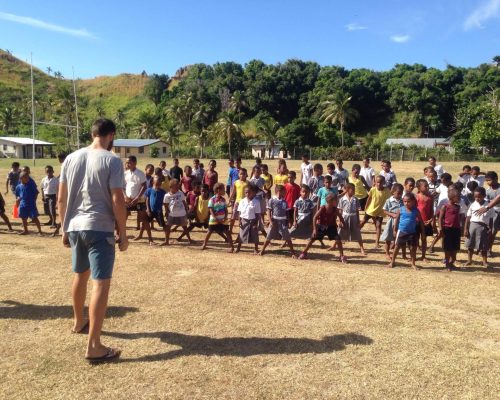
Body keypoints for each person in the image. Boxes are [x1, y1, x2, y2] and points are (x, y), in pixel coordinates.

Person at [58, 118, 128, 362]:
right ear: (110, 136)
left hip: (75, 227)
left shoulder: (71, 158)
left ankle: (79, 323)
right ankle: (94, 346)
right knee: (101, 283)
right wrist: (124, 232)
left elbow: (61, 199)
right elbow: (118, 199)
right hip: (99, 228)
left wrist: (64, 228)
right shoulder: (112, 160)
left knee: (80, 276)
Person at [299, 193, 345, 262]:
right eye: (336, 200)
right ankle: (304, 253)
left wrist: (343, 223)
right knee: (312, 239)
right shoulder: (323, 208)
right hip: (321, 226)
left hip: (331, 227)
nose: (337, 202)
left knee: (338, 239)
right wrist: (315, 229)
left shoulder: (335, 209)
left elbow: (341, 218)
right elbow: (315, 217)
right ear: (330, 201)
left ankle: (342, 256)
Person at [387, 193, 425, 270]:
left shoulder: (416, 210)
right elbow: (396, 220)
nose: (406, 203)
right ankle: (392, 262)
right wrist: (394, 230)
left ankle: (413, 263)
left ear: (413, 201)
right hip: (401, 232)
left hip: (412, 233)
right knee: (397, 247)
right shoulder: (401, 209)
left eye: (408, 201)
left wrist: (423, 232)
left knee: (412, 249)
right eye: (404, 201)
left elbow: (421, 221)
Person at [259, 185, 296, 258]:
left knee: (287, 237)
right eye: (284, 192)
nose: (285, 193)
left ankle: (293, 253)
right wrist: (270, 221)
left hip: (282, 222)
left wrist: (288, 221)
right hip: (274, 221)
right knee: (268, 236)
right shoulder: (272, 200)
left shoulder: (284, 201)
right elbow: (269, 212)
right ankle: (262, 250)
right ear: (279, 192)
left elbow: (287, 212)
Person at [464, 187, 494, 269]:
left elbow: (491, 218)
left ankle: (484, 261)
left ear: (484, 196)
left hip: (483, 227)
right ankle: (469, 260)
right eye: (475, 197)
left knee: (483, 246)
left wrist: (490, 229)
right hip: (472, 226)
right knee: (470, 245)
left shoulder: (488, 206)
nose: (477, 198)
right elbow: (468, 217)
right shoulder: (472, 205)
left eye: (479, 196)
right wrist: (466, 229)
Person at [202, 183, 234, 252]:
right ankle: (204, 245)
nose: (224, 191)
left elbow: (226, 210)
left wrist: (225, 217)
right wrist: (215, 218)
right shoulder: (212, 200)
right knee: (209, 232)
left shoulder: (223, 200)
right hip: (214, 220)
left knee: (228, 233)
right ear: (218, 190)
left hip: (223, 219)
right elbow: (211, 210)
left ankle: (232, 247)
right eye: (223, 189)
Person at [360, 175, 391, 248]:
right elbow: (369, 198)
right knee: (362, 222)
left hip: (380, 211)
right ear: (375, 182)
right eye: (377, 182)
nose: (379, 184)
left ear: (384, 182)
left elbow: (389, 200)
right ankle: (355, 234)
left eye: (380, 182)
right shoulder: (373, 189)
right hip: (371, 210)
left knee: (378, 226)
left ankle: (377, 242)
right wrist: (366, 206)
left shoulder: (386, 191)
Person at [338, 183, 366, 255]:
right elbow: (340, 211)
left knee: (358, 233)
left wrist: (358, 220)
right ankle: (334, 246)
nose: (354, 191)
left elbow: (357, 211)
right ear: (347, 190)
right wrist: (340, 221)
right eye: (352, 190)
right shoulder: (342, 199)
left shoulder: (355, 199)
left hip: (353, 218)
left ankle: (362, 248)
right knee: (340, 233)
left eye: (354, 189)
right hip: (345, 218)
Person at [439, 188, 462, 271]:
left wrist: (461, 228)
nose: (459, 198)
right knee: (448, 248)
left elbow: (458, 218)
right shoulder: (445, 207)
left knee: (455, 248)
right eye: (458, 197)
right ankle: (447, 264)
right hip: (447, 229)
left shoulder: (457, 207)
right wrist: (441, 229)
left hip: (456, 230)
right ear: (452, 197)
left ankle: (452, 263)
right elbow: (440, 218)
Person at [124, 155, 148, 235]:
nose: (127, 164)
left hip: (139, 200)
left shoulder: (140, 173)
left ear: (135, 163)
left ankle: (148, 238)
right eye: (127, 163)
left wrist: (137, 197)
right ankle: (120, 235)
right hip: (128, 200)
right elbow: (123, 186)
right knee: (123, 217)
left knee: (143, 218)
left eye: (129, 163)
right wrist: (125, 196)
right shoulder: (125, 173)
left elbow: (144, 186)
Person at [429, 173, 453, 253]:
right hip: (440, 210)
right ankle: (432, 246)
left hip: (450, 212)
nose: (442, 183)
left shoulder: (453, 187)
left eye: (444, 181)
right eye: (441, 181)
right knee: (442, 230)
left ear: (449, 180)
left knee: (446, 231)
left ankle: (444, 246)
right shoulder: (442, 186)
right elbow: (435, 192)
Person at [235, 184, 261, 254]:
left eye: (249, 192)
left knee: (254, 235)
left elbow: (257, 214)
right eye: (246, 192)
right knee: (241, 234)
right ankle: (238, 248)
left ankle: (256, 248)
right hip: (244, 220)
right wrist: (239, 221)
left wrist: (256, 223)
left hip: (253, 220)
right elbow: (240, 212)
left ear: (253, 193)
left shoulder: (256, 202)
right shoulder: (242, 201)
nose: (247, 194)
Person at [381, 183, 404, 261]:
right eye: (398, 193)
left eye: (401, 193)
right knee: (388, 239)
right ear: (393, 192)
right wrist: (392, 214)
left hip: (400, 222)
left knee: (397, 238)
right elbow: (384, 210)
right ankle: (387, 253)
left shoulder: (402, 200)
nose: (400, 195)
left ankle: (396, 252)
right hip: (391, 221)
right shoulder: (389, 200)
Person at [15, 172, 42, 236]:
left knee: (35, 218)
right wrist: (17, 202)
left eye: (28, 177)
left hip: (31, 204)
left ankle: (40, 231)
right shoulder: (18, 187)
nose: (27, 179)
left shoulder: (31, 185)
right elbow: (18, 195)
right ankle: (25, 230)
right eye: (26, 177)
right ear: (21, 178)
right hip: (23, 204)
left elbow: (36, 193)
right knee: (23, 218)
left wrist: (34, 200)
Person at [144, 175, 167, 244]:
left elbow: (165, 202)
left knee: (163, 225)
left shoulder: (163, 192)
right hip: (150, 211)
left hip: (159, 211)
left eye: (160, 183)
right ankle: (150, 239)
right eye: (157, 183)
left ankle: (166, 240)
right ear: (153, 182)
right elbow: (147, 200)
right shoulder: (149, 190)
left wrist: (166, 211)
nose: (159, 184)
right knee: (145, 223)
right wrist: (148, 209)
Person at [415, 179, 434, 261]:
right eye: (425, 186)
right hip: (416, 221)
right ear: (419, 188)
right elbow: (414, 209)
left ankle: (423, 256)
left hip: (426, 222)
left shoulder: (430, 197)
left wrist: (431, 219)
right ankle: (413, 256)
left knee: (424, 238)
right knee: (415, 239)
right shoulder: (416, 197)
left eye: (428, 186)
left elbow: (431, 209)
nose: (427, 188)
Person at [229, 168, 249, 235]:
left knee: (242, 218)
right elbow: (233, 192)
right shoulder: (236, 182)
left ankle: (241, 232)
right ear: (238, 174)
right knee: (233, 217)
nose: (242, 175)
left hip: (245, 203)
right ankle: (230, 230)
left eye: (244, 174)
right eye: (241, 174)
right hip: (237, 202)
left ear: (246, 175)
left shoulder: (248, 183)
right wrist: (229, 200)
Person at [485, 171, 500, 255]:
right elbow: (487, 202)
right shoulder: (488, 191)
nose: (487, 182)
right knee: (492, 232)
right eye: (486, 180)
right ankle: (488, 249)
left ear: (496, 179)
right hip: (494, 213)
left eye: (489, 180)